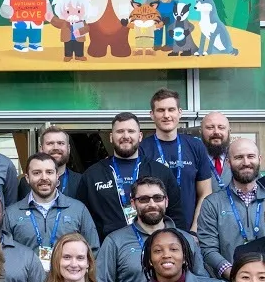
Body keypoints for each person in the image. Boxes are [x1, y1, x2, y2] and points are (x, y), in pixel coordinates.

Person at [79, 112, 178, 241]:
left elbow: (176, 213)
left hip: (155, 245)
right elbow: (83, 218)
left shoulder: (161, 171)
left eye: (131, 131)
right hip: (107, 248)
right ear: (111, 137)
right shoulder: (92, 175)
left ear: (140, 136)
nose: (126, 136)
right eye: (120, 131)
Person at [98, 176, 203, 282]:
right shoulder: (115, 241)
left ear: (166, 201)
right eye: (144, 199)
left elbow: (201, 280)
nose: (152, 204)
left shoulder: (186, 239)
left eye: (158, 198)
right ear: (133, 203)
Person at [3, 152, 100, 266]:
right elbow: (5, 255)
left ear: (57, 176)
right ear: (27, 178)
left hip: (67, 281)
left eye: (49, 172)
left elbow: (93, 251)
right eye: (37, 173)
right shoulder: (11, 213)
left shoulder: (78, 210)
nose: (44, 178)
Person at [138, 88, 215, 230]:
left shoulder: (196, 146)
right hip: (153, 231)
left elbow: (205, 192)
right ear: (152, 115)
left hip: (190, 231)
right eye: (161, 110)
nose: (166, 115)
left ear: (179, 112)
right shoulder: (142, 149)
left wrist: (195, 230)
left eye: (171, 109)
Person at [196, 138, 265, 278]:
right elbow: (208, 249)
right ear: (228, 162)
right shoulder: (212, 203)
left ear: (259, 159)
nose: (246, 162)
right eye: (239, 157)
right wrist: (234, 274)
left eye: (250, 156)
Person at [38, 125, 76, 199]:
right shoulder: (26, 183)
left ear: (68, 148)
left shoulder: (81, 181)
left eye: (61, 143)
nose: (55, 147)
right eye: (50, 143)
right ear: (41, 149)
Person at [200, 112, 232, 187]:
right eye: (210, 127)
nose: (216, 132)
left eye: (221, 127)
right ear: (200, 131)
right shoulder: (193, 159)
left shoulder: (239, 158)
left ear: (229, 132)